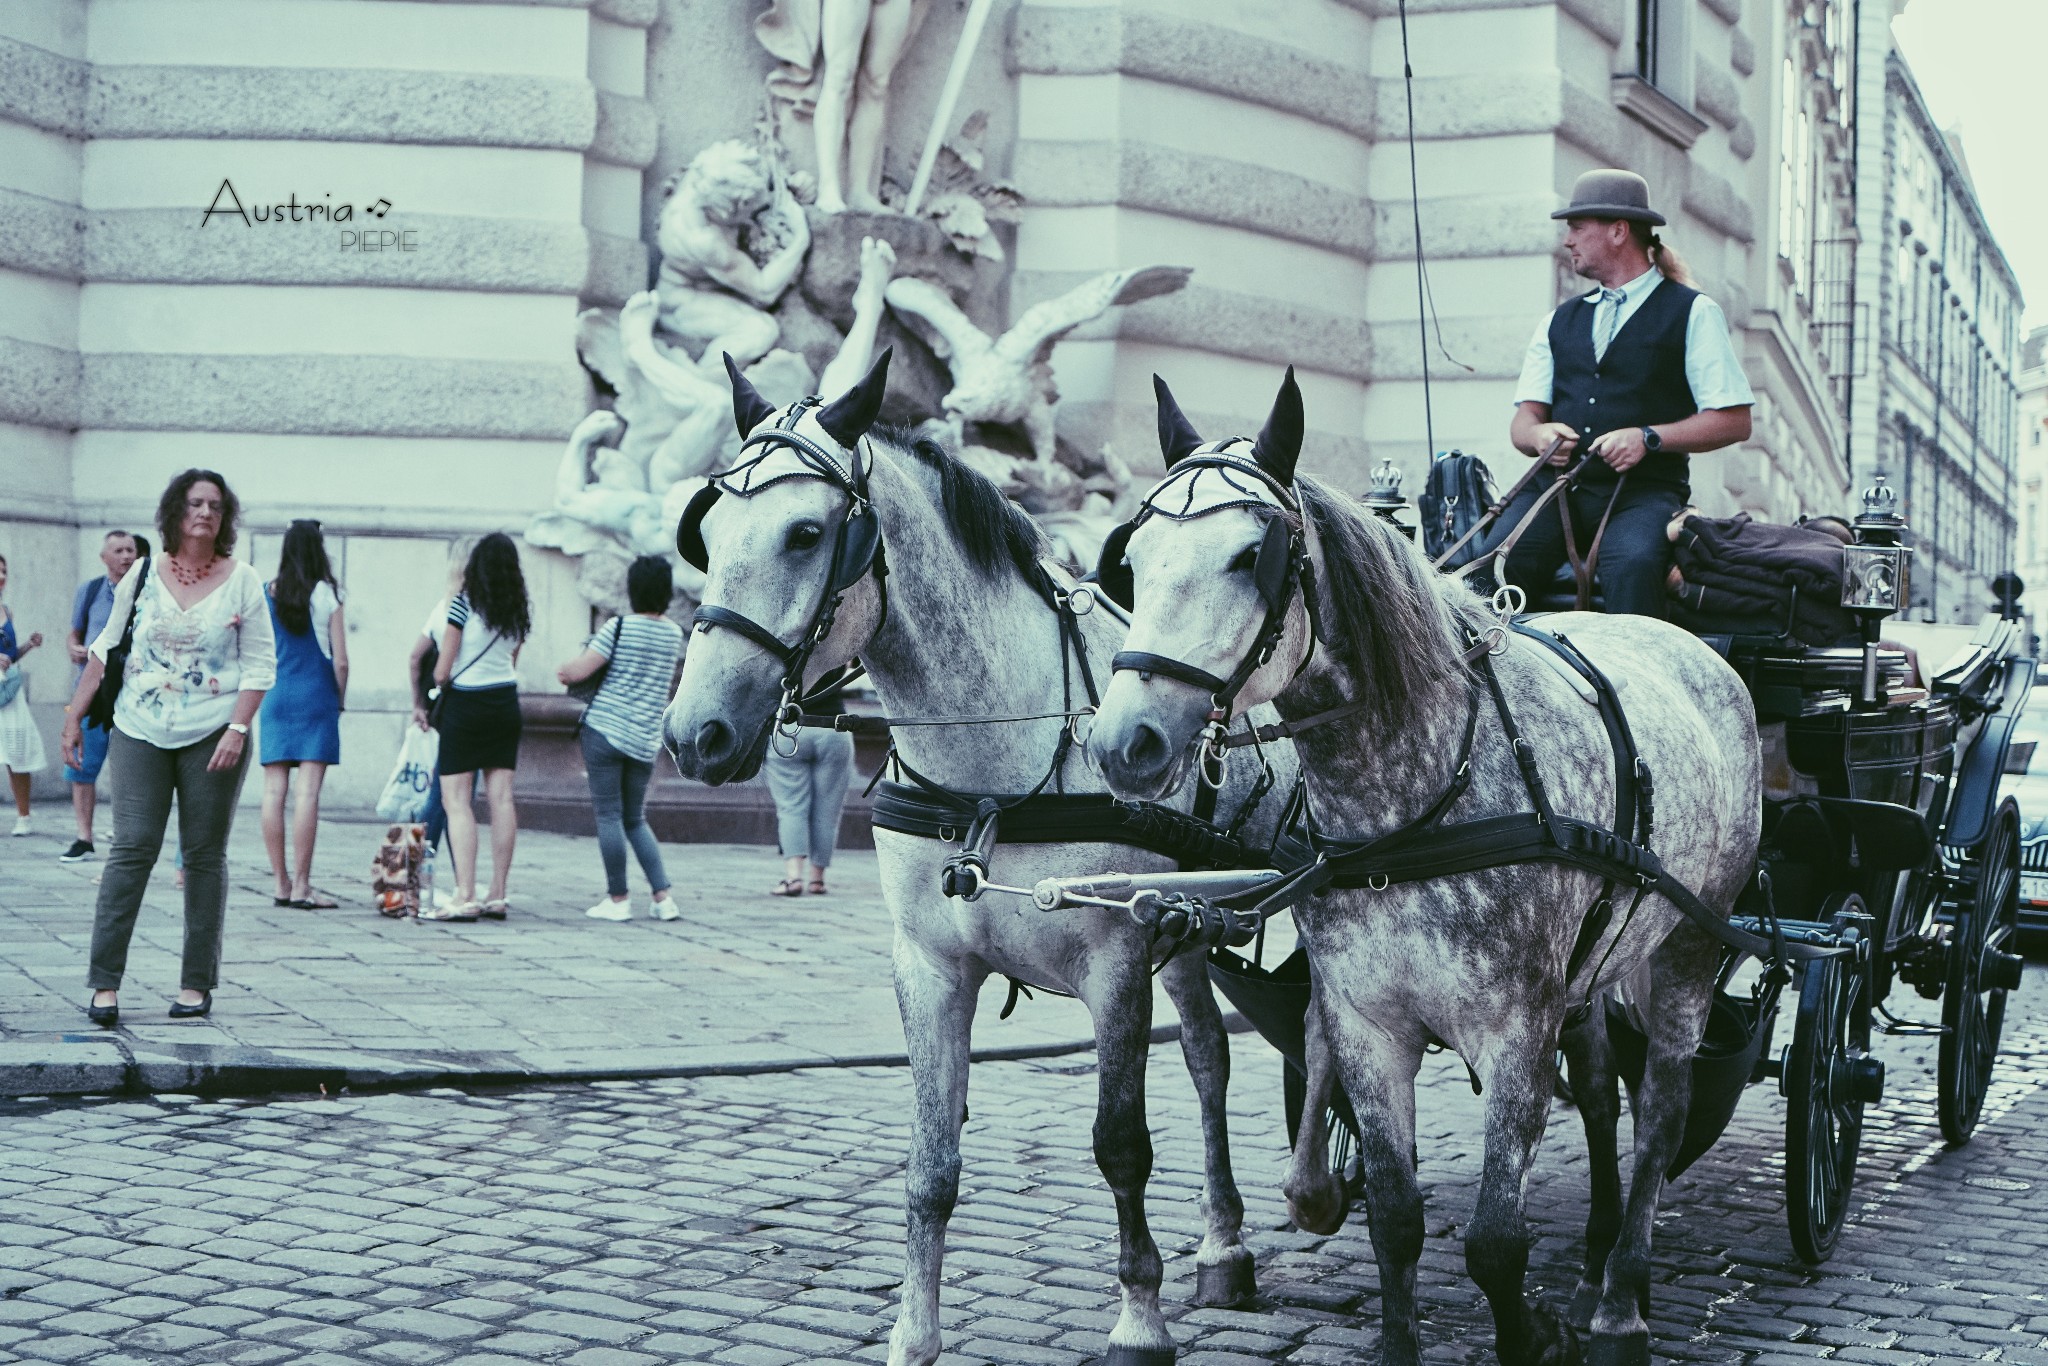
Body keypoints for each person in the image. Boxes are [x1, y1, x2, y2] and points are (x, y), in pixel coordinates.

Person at [59, 469, 275, 1026]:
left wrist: (238, 729)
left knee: (203, 857)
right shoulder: (143, 572)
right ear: (175, 511)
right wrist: (73, 716)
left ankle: (195, 985)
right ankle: (104, 985)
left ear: (225, 518)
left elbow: (259, 666)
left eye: (215, 506)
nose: (204, 512)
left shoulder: (243, 579)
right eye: (195, 503)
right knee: (131, 848)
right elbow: (105, 647)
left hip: (213, 733)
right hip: (138, 728)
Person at [1499, 168, 1755, 619]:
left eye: (1577, 228)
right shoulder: (1559, 321)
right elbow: (1524, 423)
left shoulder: (1693, 311)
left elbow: (1734, 419)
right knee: (1493, 567)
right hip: (1558, 490)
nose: (1568, 240)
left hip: (1645, 494)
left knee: (1632, 568)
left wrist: (1647, 437)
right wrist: (1540, 438)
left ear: (1618, 231)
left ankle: (1633, 688)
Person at [556, 555, 684, 921]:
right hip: (645, 738)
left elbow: (575, 671)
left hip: (606, 732)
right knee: (635, 818)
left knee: (609, 815)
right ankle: (663, 898)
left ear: (633, 589)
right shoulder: (673, 633)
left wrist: (564, 668)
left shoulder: (619, 627)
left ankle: (617, 899)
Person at [423, 532, 529, 922]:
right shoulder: (518, 610)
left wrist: (435, 682)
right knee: (501, 799)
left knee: (456, 801)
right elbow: (512, 659)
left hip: (466, 706)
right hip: (505, 703)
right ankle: (497, 892)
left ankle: (465, 893)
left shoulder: (462, 606)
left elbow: (442, 669)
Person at [259, 520, 349, 909]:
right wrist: (339, 699)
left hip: (277, 695)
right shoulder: (327, 594)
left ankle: (279, 883)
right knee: (307, 793)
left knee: (273, 792)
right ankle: (302, 885)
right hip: (316, 693)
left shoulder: (267, 592)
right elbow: (341, 661)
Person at [60, 530, 140, 860]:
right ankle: (83, 836)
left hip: (132, 691)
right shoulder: (91, 590)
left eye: (130, 550)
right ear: (104, 557)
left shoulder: (146, 591)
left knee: (132, 768)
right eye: (118, 550)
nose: (125, 556)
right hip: (92, 690)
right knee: (83, 765)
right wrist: (73, 648)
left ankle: (127, 837)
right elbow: (75, 632)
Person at [762, 675, 854, 896]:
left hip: (789, 729)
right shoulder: (834, 641)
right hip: (834, 729)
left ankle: (793, 877)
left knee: (791, 807)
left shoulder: (788, 646)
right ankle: (817, 880)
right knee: (828, 811)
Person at [0, 552, 49, 836]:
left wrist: (28, 645)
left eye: (4, 571)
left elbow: (10, 657)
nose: (1, 577)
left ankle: (23, 816)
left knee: (17, 750)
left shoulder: (7, 610)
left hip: (8, 690)